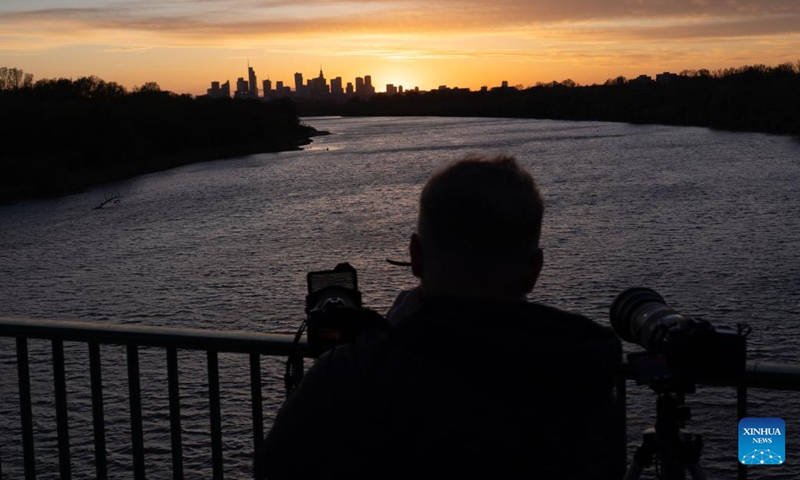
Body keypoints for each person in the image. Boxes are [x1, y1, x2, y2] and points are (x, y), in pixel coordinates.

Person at [256, 154, 623, 479]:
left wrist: (379, 336)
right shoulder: (582, 376)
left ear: (416, 254)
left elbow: (274, 468)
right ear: (534, 269)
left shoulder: (352, 374)